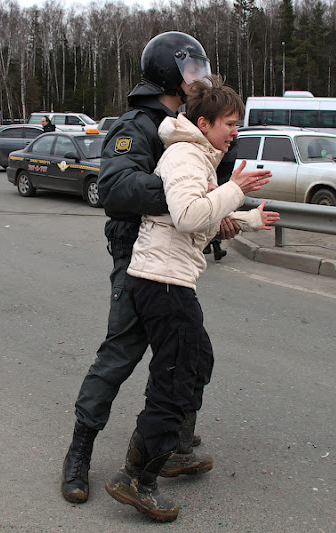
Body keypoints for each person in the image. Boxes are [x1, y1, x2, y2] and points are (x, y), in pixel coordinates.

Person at [61, 31, 271, 505]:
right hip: (140, 261)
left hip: (178, 258)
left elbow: (206, 194)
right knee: (120, 357)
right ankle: (79, 451)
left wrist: (218, 214)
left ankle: (173, 445)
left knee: (194, 358)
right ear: (169, 72)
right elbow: (116, 188)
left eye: (201, 68)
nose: (199, 77)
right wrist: (186, 203)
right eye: (191, 69)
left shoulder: (188, 124)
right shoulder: (137, 126)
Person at [105, 74, 279, 522]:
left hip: (170, 278)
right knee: (175, 377)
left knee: (197, 360)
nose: (235, 133)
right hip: (162, 281)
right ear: (204, 122)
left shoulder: (197, 153)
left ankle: (173, 452)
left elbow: (200, 219)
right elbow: (185, 216)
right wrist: (235, 188)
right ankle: (137, 477)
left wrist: (247, 219)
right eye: (230, 124)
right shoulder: (185, 155)